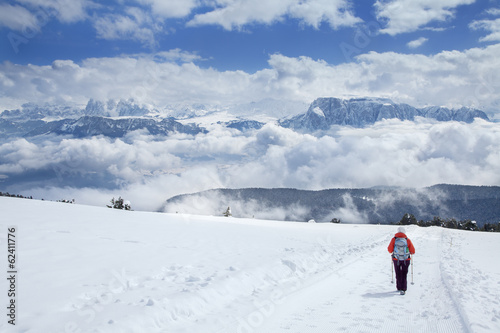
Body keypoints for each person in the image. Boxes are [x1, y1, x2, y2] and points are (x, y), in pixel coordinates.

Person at [387, 227, 415, 295]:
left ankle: (399, 287)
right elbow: (413, 251)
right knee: (404, 273)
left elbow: (389, 250)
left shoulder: (394, 239)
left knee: (398, 272)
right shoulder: (407, 240)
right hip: (406, 259)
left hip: (396, 259)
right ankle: (403, 288)